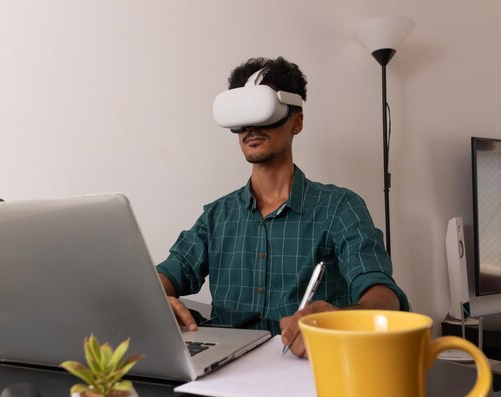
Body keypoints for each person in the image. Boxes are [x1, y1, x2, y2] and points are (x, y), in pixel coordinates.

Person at [156, 56, 409, 358]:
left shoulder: (340, 208)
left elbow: (382, 293)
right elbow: (169, 272)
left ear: (297, 121)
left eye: (262, 112)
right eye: (241, 117)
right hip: (225, 377)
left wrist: (343, 320)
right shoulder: (216, 217)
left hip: (307, 371)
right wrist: (156, 300)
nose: (250, 127)